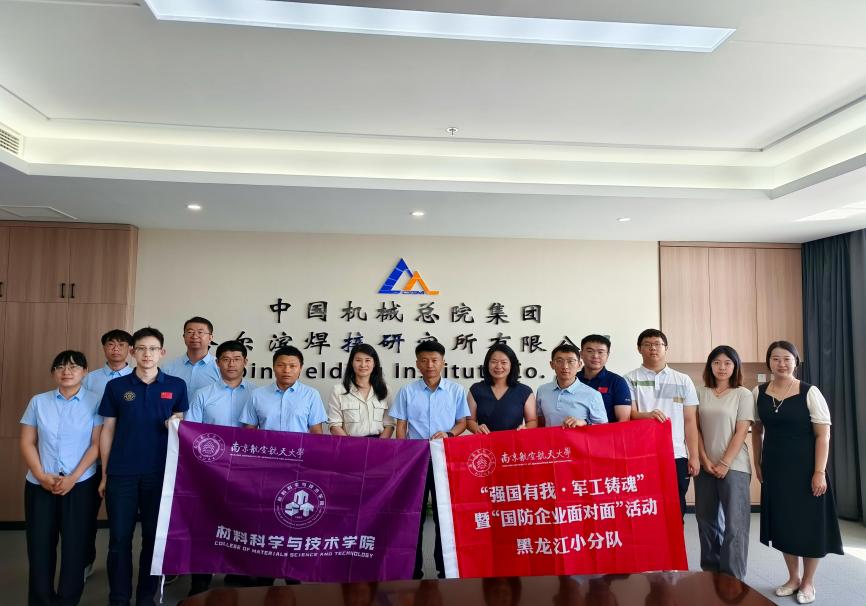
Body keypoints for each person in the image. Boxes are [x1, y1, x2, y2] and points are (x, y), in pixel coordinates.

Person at [99, 327, 188, 606]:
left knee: (153, 538)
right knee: (119, 540)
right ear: (132, 352)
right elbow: (107, 430)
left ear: (162, 352)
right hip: (121, 473)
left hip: (159, 473)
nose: (147, 354)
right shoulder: (116, 387)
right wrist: (104, 474)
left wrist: (175, 423)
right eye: (141, 348)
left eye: (152, 349)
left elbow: (181, 424)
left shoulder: (176, 385)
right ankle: (119, 597)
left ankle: (146, 597)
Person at [751, 341, 842, 604]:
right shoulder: (758, 392)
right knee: (784, 524)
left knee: (809, 525)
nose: (781, 364)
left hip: (806, 469)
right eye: (776, 358)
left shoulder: (809, 392)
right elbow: (757, 430)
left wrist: (819, 472)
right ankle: (793, 578)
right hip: (775, 469)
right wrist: (758, 462)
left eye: (787, 359)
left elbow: (823, 435)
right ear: (769, 362)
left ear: (796, 362)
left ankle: (808, 582)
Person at [20, 350, 102, 606]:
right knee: (39, 546)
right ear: (53, 372)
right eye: (61, 367)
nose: (67, 371)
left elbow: (96, 445)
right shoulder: (38, 401)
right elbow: (27, 442)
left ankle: (68, 600)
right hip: (40, 484)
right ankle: (41, 600)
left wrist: (73, 478)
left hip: (80, 484)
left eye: (74, 366)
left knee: (75, 546)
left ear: (85, 372)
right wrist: (41, 475)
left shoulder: (96, 402)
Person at [390, 341, 469, 579]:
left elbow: (462, 422)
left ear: (443, 362)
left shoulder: (456, 391)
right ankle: (413, 571)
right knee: (413, 516)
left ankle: (445, 570)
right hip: (415, 462)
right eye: (424, 360)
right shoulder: (407, 391)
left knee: (445, 517)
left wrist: (449, 434)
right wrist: (403, 455)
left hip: (445, 462)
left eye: (434, 360)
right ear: (417, 364)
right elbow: (401, 426)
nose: (430, 365)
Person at [185, 340, 255, 596]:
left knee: (241, 521)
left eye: (237, 359)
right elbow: (191, 432)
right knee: (205, 522)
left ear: (245, 362)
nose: (231, 364)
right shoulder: (203, 394)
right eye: (225, 359)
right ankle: (200, 578)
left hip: (245, 471)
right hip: (209, 469)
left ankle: (237, 571)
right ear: (217, 363)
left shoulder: (257, 394)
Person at [625, 328, 699, 518]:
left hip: (676, 454)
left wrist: (694, 456)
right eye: (647, 344)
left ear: (666, 348)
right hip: (642, 454)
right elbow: (629, 414)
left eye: (658, 344)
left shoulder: (683, 380)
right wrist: (647, 415)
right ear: (639, 348)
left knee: (676, 506)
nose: (653, 348)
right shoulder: (630, 379)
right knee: (645, 506)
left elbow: (690, 421)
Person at [694, 345, 753, 580]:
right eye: (717, 362)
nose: (722, 367)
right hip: (705, 465)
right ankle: (711, 572)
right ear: (710, 366)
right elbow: (695, 429)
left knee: (735, 524)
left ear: (735, 366)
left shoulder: (743, 394)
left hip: (735, 466)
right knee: (706, 520)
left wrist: (725, 463)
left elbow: (742, 431)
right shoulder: (699, 392)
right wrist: (704, 459)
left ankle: (732, 577)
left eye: (728, 363)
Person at [81, 328, 134, 580]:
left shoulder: (137, 378)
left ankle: (120, 566)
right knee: (86, 514)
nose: (115, 348)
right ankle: (85, 560)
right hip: (93, 454)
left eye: (121, 344)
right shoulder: (89, 379)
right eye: (111, 344)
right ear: (104, 348)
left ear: (130, 350)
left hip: (124, 454)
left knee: (120, 517)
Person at [240, 346, 326, 433]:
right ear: (273, 367)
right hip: (267, 443)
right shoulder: (257, 395)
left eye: (292, 366)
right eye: (281, 365)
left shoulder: (311, 395)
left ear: (300, 368)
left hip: (298, 443)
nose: (286, 370)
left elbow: (316, 432)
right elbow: (249, 432)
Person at [327, 344, 395, 438]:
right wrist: (350, 445)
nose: (363, 365)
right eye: (358, 360)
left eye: (367, 360)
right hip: (348, 443)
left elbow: (389, 424)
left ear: (374, 363)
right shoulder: (338, 390)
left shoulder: (385, 389)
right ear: (352, 363)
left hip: (379, 443)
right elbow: (334, 425)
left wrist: (379, 445)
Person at [467, 343, 537, 433]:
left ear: (512, 365)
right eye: (494, 362)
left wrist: (525, 428)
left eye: (504, 362)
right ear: (487, 364)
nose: (499, 366)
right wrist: (477, 428)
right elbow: (469, 420)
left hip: (515, 441)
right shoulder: (476, 389)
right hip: (484, 441)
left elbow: (532, 421)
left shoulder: (525, 391)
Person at [537, 344, 607, 428]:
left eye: (571, 361)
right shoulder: (542, 390)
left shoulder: (593, 395)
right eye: (559, 361)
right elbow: (540, 422)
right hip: (550, 437)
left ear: (579, 364)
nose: (565, 366)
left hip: (578, 437)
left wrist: (585, 423)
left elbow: (603, 428)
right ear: (552, 364)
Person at [577, 334, 632, 423]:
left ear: (607, 355)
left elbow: (623, 420)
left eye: (600, 352)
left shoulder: (617, 382)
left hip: (607, 431)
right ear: (581, 354)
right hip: (573, 431)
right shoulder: (572, 380)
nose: (595, 356)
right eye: (590, 351)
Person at [162, 316, 221, 396]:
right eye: (190, 332)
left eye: (200, 332)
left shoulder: (220, 368)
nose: (195, 336)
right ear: (184, 337)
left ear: (210, 338)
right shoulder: (168, 367)